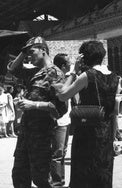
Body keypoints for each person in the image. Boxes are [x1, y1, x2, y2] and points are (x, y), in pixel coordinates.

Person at [55, 41, 118, 188]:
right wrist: (113, 136)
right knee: (102, 173)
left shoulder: (87, 76)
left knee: (84, 174)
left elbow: (63, 95)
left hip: (87, 132)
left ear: (84, 57)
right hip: (106, 131)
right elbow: (114, 111)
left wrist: (72, 72)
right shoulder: (115, 77)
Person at [7, 36, 67, 188]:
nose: (29, 56)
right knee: (19, 175)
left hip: (42, 136)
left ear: (43, 50)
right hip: (26, 134)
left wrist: (33, 105)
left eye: (32, 51)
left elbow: (59, 108)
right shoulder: (33, 72)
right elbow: (13, 69)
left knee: (41, 179)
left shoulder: (55, 73)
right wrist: (24, 50)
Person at [50, 53, 72, 187]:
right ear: (63, 65)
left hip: (66, 120)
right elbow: (62, 92)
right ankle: (56, 183)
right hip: (59, 122)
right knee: (57, 153)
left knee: (62, 152)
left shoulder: (65, 78)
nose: (71, 64)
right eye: (69, 62)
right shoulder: (57, 79)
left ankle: (60, 180)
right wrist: (74, 75)